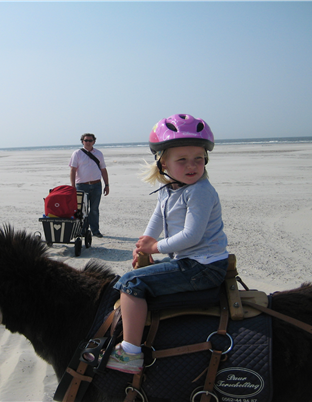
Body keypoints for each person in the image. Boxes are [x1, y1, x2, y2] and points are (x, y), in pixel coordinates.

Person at [106, 114, 228, 374]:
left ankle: (130, 352)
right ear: (163, 163)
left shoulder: (199, 191)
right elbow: (157, 219)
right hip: (190, 262)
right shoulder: (169, 189)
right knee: (142, 273)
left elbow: (192, 236)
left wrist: (155, 248)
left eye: (198, 158)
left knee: (130, 282)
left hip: (203, 267)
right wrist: (142, 247)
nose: (192, 165)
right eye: (182, 160)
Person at [69, 133, 110, 238]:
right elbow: (73, 170)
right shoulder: (77, 153)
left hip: (96, 185)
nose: (88, 142)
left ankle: (95, 231)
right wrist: (73, 186)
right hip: (81, 186)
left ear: (94, 142)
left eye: (90, 140)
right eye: (86, 140)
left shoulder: (99, 153)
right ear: (82, 141)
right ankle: (82, 231)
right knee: (82, 210)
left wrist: (107, 185)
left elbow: (103, 170)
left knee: (94, 210)